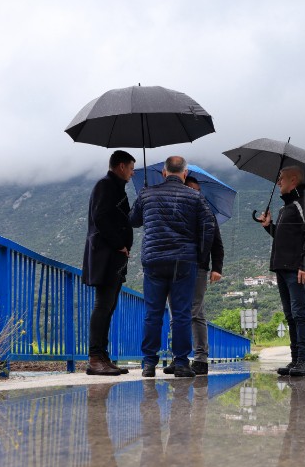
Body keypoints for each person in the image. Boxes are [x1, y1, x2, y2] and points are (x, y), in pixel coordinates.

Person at [129, 156, 215, 378]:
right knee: (182, 314)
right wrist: (200, 257)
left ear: (164, 173)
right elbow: (208, 229)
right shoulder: (195, 197)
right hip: (184, 262)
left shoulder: (147, 193)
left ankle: (148, 364)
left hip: (154, 261)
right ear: (185, 174)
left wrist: (144, 197)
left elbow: (133, 220)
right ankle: (181, 363)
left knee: (152, 313)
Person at [257, 166, 305, 377]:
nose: (278, 182)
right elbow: (284, 238)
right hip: (282, 268)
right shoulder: (287, 208)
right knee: (290, 315)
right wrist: (268, 226)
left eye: (281, 178)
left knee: (300, 314)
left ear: (293, 180)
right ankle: (295, 361)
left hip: (296, 269)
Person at [81, 150, 135, 376]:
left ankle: (103, 356)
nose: (132, 173)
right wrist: (118, 244)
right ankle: (95, 358)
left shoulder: (116, 188)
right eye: (131, 168)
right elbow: (100, 217)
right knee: (103, 306)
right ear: (121, 166)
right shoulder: (105, 185)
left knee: (109, 306)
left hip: (115, 257)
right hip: (106, 255)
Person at [164, 176, 224, 376]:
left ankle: (200, 359)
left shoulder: (207, 213)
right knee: (175, 313)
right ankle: (178, 358)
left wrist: (217, 268)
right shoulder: (174, 212)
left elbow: (217, 243)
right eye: (192, 189)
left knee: (194, 312)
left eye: (198, 190)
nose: (196, 193)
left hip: (198, 267)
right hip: (175, 266)